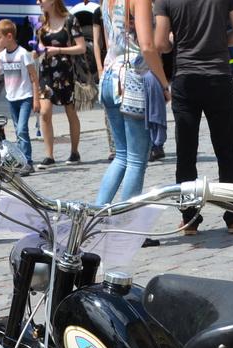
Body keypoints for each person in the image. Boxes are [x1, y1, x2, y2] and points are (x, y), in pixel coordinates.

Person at [154, 0, 233, 231]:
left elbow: (160, 43)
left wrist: (180, 41)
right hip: (218, 77)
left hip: (186, 79)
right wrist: (215, 40)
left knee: (186, 154)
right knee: (226, 151)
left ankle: (189, 218)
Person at [97, 0, 166, 203]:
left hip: (110, 75)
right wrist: (164, 84)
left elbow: (111, 43)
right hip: (132, 78)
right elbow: (146, 47)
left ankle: (96, 215)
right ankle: (127, 227)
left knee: (121, 156)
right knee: (136, 160)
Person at [35, 0, 86, 163]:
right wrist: (38, 51)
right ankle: (49, 155)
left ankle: (75, 152)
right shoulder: (41, 21)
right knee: (44, 112)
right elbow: (41, 44)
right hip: (47, 71)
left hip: (66, 71)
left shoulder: (70, 20)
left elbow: (81, 47)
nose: (38, 2)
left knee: (70, 112)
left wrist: (58, 50)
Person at [0, 18, 37, 167]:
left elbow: (33, 75)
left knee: (22, 128)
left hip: (25, 96)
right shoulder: (2, 56)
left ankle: (27, 161)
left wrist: (36, 98)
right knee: (18, 130)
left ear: (9, 36)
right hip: (11, 97)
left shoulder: (22, 53)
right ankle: (21, 159)